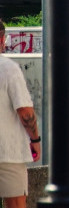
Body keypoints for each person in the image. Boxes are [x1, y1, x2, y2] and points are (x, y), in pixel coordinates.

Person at [0, 18, 39, 208]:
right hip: (7, 151)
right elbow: (25, 111)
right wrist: (35, 140)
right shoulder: (7, 68)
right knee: (15, 203)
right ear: (2, 39)